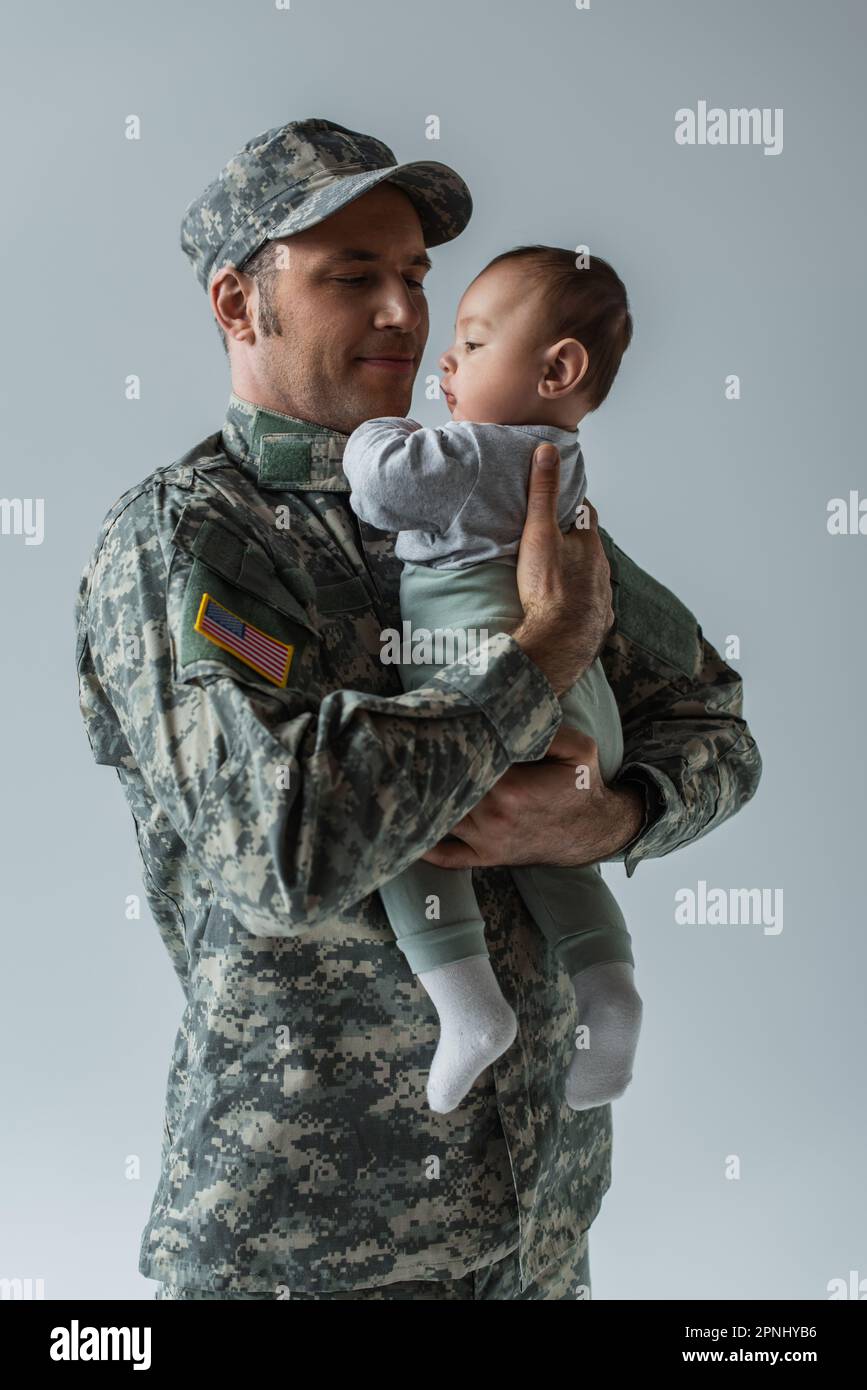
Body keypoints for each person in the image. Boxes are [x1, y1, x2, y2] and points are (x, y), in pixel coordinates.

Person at [74, 118, 762, 1301]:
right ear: (240, 306)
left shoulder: (497, 488)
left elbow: (714, 726)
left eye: (415, 277)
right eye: (353, 277)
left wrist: (606, 818)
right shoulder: (191, 536)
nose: (404, 312)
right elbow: (284, 843)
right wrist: (534, 664)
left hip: (535, 1221)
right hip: (312, 1244)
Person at [344, 247, 643, 1116]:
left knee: (410, 824)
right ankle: (608, 987)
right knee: (552, 846)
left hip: (491, 688)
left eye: (471, 344)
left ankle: (467, 1004)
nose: (444, 355)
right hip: (586, 716)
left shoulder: (472, 454)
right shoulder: (564, 464)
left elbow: (383, 481)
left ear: (557, 367)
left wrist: (372, 430)